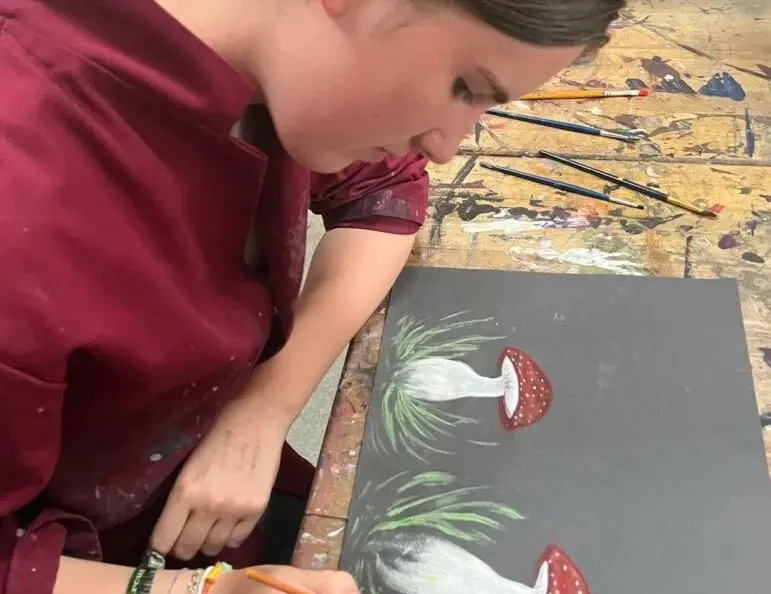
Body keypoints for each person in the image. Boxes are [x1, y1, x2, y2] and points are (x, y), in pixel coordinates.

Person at [0, 0, 623, 592]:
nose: (446, 147)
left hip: (210, 492)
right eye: (464, 86)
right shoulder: (27, 199)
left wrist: (264, 406)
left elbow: (383, 196)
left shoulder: (270, 54)